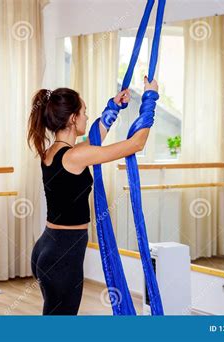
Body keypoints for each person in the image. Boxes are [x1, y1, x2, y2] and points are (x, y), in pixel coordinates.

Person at [27, 76, 159, 315]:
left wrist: (114, 108)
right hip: (62, 255)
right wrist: (150, 98)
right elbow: (136, 144)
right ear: (73, 118)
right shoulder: (75, 156)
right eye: (85, 112)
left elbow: (92, 142)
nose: (87, 117)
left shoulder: (55, 151)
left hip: (48, 247)